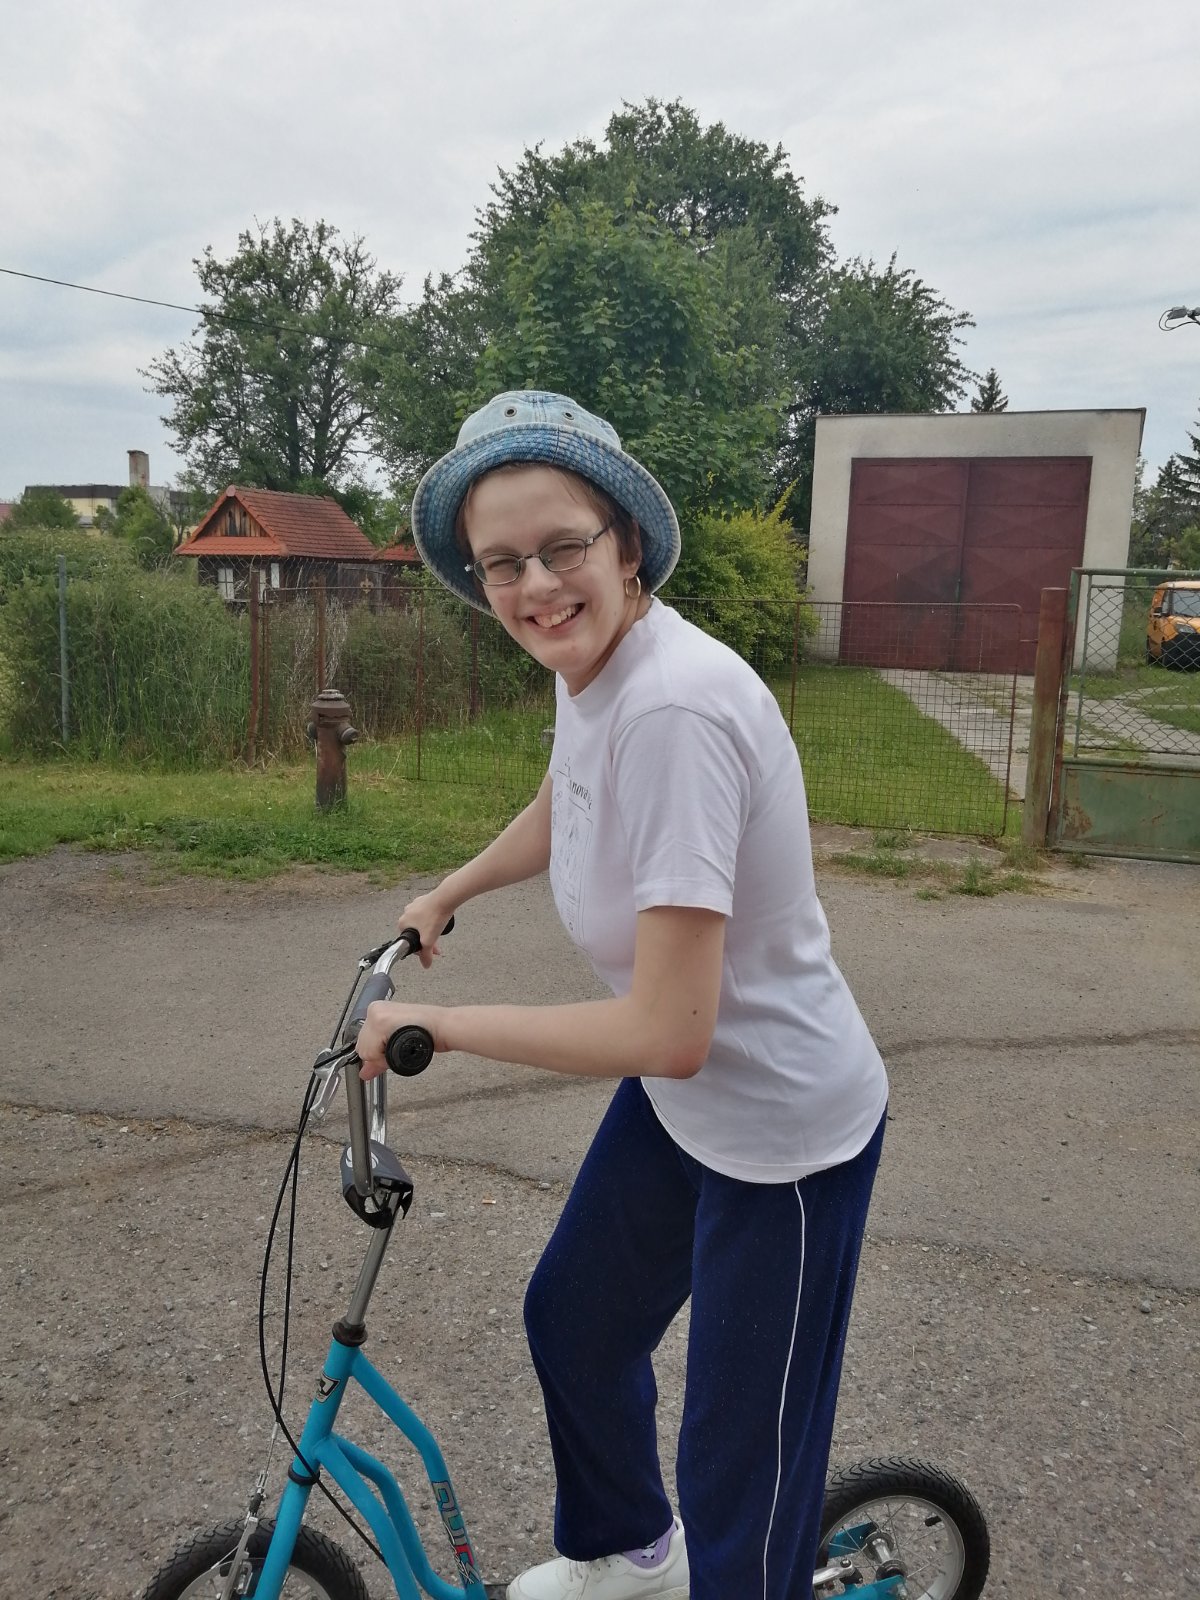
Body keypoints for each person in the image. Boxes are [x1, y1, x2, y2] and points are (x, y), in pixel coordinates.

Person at [355, 390, 889, 1600]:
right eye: (503, 563)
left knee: (741, 1481)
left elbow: (667, 1030)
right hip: (689, 1107)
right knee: (577, 1320)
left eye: (563, 547)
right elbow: (567, 797)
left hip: (785, 1138)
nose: (536, 585)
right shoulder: (591, 663)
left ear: (626, 544)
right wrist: (451, 888)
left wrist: (442, 1026)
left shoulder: (677, 710)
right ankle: (632, 1555)